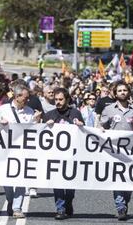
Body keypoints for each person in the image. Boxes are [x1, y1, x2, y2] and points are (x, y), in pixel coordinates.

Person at [0, 84, 41, 219]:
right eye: (25, 98)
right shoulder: (3, 109)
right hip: (6, 151)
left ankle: (17, 208)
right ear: (17, 97)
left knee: (21, 179)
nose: (27, 100)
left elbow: (33, 132)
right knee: (6, 179)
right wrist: (0, 123)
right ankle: (11, 199)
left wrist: (37, 121)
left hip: (23, 152)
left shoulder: (30, 111)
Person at [99, 80, 133, 221]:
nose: (122, 93)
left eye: (124, 90)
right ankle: (120, 207)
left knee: (130, 179)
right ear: (115, 93)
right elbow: (101, 125)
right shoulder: (109, 110)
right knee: (118, 178)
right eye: (119, 91)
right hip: (114, 151)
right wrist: (100, 129)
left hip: (131, 150)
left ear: (128, 92)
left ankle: (125, 202)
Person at [43, 87, 84, 220]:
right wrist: (45, 125)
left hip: (72, 156)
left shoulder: (75, 113)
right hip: (55, 156)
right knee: (58, 183)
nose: (58, 102)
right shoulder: (50, 114)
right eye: (56, 99)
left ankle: (68, 201)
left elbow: (83, 133)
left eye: (61, 99)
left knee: (70, 184)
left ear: (66, 100)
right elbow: (41, 135)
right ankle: (60, 208)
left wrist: (80, 125)